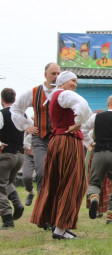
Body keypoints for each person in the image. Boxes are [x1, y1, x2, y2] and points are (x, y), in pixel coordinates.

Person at [30, 71, 92, 239]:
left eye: (76, 81)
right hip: (67, 142)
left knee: (56, 183)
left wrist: (79, 122)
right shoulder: (64, 94)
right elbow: (83, 104)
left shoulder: (55, 95)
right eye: (72, 80)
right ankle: (60, 229)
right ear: (63, 81)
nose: (75, 84)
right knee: (73, 182)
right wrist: (78, 122)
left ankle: (55, 223)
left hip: (58, 141)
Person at [10, 63, 61, 198]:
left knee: (58, 173)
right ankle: (42, 205)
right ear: (45, 75)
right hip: (40, 138)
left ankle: (54, 206)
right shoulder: (34, 92)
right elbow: (15, 109)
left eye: (58, 74)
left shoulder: (63, 93)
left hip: (59, 138)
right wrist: (27, 126)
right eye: (53, 73)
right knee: (42, 172)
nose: (56, 77)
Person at [82, 95, 112, 224]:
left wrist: (90, 142)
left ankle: (94, 197)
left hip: (99, 152)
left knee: (94, 182)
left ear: (108, 104)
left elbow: (83, 128)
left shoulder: (97, 117)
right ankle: (111, 217)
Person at [0, 88, 25, 229]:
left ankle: (8, 220)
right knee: (8, 182)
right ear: (14, 99)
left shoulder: (1, 114)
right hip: (19, 155)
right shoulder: (23, 114)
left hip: (5, 154)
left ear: (2, 99)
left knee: (0, 187)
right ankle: (17, 203)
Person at [22, 133, 36, 206]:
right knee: (26, 177)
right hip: (28, 155)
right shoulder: (26, 122)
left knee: (42, 176)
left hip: (43, 154)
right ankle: (30, 192)